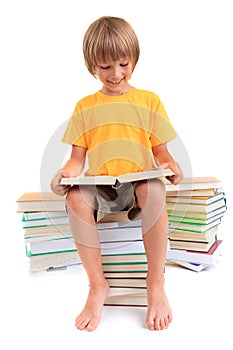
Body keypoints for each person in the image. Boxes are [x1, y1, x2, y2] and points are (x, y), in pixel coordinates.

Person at [51, 16, 183, 332]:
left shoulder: (149, 101)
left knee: (154, 190)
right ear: (92, 65)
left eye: (123, 63)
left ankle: (155, 283)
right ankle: (97, 285)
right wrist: (64, 176)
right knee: (76, 199)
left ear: (133, 60)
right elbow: (76, 160)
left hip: (139, 184)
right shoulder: (85, 106)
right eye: (105, 66)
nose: (116, 74)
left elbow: (161, 153)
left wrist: (170, 165)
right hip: (103, 187)